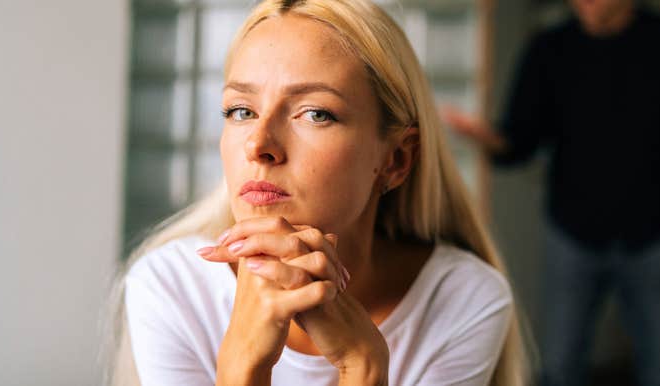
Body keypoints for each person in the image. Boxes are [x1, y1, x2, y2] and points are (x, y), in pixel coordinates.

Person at [106, 1, 531, 385]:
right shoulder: (171, 287)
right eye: (242, 110)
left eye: (316, 113)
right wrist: (242, 367)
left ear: (397, 160)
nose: (258, 144)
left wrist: (363, 366)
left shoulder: (463, 300)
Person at [441, 0, 660, 386]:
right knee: (559, 365)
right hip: (571, 232)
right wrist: (489, 138)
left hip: (653, 232)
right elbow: (520, 141)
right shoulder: (549, 48)